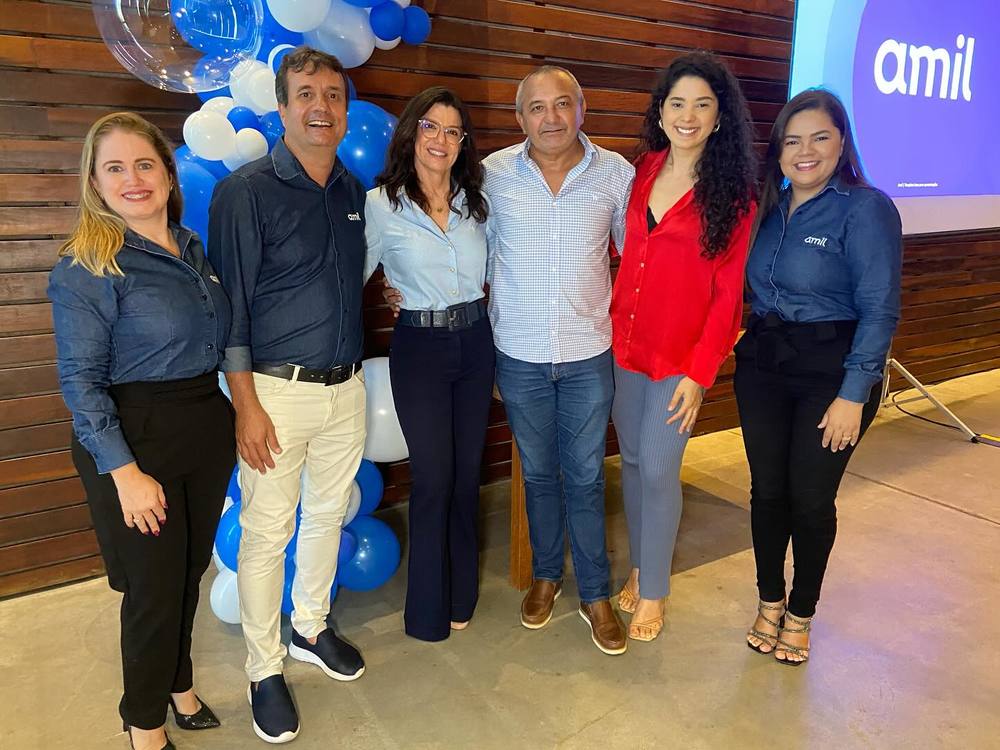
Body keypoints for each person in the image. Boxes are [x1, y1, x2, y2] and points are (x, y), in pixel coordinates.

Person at [48, 112, 235, 750]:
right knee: (153, 590)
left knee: (188, 571)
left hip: (202, 424)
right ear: (95, 183)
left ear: (169, 173)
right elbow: (80, 383)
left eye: (145, 163)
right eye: (115, 168)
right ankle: (143, 723)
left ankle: (179, 684)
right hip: (132, 436)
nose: (133, 178)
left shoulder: (191, 248)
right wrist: (124, 473)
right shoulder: (87, 265)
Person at [208, 46, 367, 743]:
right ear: (282, 107)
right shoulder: (245, 192)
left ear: (344, 109)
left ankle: (309, 626)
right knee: (268, 533)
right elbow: (230, 311)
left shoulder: (351, 190)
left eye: (332, 95)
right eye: (305, 94)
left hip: (346, 388)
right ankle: (263, 668)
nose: (320, 107)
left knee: (327, 515)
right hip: (275, 394)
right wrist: (245, 405)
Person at [736, 88, 902, 665]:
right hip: (763, 366)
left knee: (810, 498)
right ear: (778, 150)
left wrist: (854, 394)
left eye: (820, 138)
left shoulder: (865, 208)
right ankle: (769, 599)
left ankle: (801, 611)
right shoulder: (768, 206)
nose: (805, 151)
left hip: (831, 372)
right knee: (767, 492)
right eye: (792, 140)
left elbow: (880, 310)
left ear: (842, 142)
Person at [487, 66, 635, 655]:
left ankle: (595, 594)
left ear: (582, 109)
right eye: (537, 107)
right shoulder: (492, 175)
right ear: (520, 117)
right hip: (518, 354)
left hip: (587, 355)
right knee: (540, 475)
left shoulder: (615, 174)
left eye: (562, 104)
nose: (551, 118)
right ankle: (547, 576)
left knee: (587, 477)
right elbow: (467, 253)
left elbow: (639, 257)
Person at [610, 52, 757, 642]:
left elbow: (728, 297)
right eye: (677, 103)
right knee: (633, 462)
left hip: (680, 358)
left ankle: (655, 590)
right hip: (624, 346)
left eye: (702, 104)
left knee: (659, 467)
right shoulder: (643, 169)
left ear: (720, 117)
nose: (687, 115)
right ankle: (641, 564)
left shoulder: (735, 195)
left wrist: (701, 373)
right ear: (661, 111)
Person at [364, 86, 493, 642]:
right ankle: (425, 611)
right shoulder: (380, 205)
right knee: (435, 477)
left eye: (453, 131)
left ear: (463, 142)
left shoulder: (476, 202)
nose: (441, 140)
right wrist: (387, 291)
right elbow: (353, 276)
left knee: (466, 477)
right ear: (412, 132)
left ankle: (462, 593)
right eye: (430, 127)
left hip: (476, 342)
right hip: (419, 347)